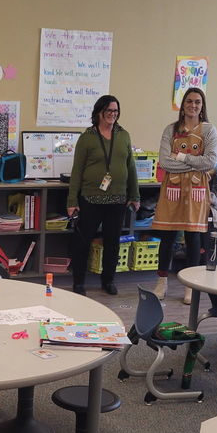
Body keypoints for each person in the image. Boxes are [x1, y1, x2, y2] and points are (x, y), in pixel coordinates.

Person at [67, 95, 141, 295]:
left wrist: (135, 195)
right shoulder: (88, 137)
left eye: (115, 111)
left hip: (117, 199)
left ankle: (108, 280)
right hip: (90, 198)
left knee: (113, 243)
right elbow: (77, 171)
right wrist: (72, 200)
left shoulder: (123, 135)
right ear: (99, 112)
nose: (112, 115)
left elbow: (131, 167)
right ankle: (79, 282)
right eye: (109, 111)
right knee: (83, 242)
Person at [153, 87, 217, 304]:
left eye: (197, 102)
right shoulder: (170, 130)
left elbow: (210, 161)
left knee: (193, 237)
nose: (193, 105)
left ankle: (190, 286)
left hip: (196, 190)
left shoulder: (209, 131)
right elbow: (164, 161)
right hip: (172, 189)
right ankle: (161, 282)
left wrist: (180, 156)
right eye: (189, 101)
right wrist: (193, 163)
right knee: (168, 236)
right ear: (183, 105)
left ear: (203, 106)